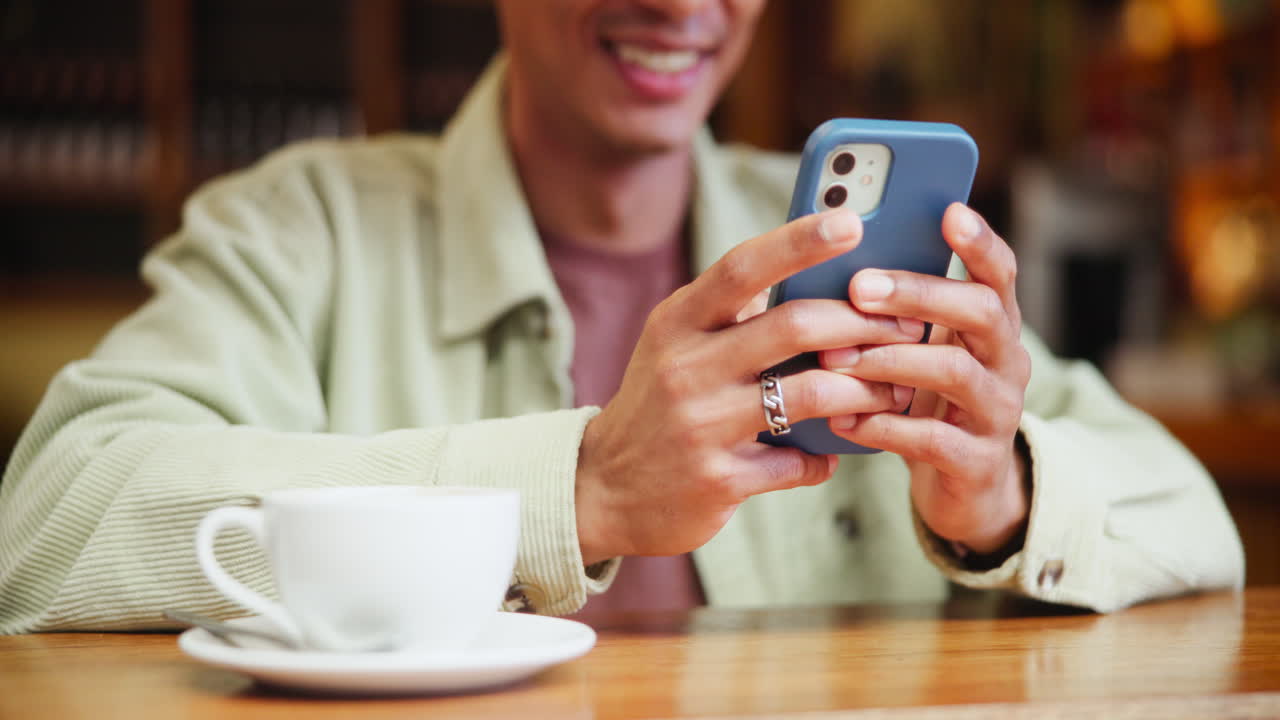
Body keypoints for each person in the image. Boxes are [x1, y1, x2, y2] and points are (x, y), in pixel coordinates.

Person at [0, 0, 1243, 634]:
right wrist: (578, 487)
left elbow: (1193, 524)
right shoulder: (298, 229)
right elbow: (47, 529)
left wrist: (1001, 502)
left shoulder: (861, 251)